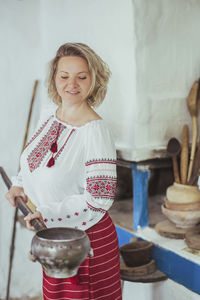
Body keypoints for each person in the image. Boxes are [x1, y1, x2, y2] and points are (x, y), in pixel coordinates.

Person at [6, 43, 122, 300]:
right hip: (55, 237)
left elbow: (99, 200)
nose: (72, 84)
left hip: (85, 241)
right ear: (54, 78)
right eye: (64, 76)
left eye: (82, 77)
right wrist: (19, 184)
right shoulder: (49, 114)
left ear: (94, 80)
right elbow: (31, 161)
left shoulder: (95, 131)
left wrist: (45, 213)